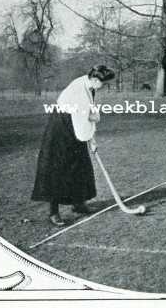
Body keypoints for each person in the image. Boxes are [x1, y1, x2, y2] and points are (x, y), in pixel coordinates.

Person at [31, 65, 115, 226]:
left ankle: (78, 204)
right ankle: (53, 213)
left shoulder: (89, 86)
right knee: (58, 168)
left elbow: (88, 114)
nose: (104, 86)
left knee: (80, 164)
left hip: (75, 125)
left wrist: (92, 139)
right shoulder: (79, 89)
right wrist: (90, 139)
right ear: (96, 79)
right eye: (103, 83)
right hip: (61, 128)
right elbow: (83, 118)